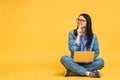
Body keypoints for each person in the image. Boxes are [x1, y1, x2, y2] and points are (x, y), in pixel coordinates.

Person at [60, 13, 104, 78]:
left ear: (87, 22)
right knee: (64, 58)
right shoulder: (71, 33)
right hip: (74, 61)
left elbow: (97, 51)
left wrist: (88, 58)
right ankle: (88, 73)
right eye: (78, 19)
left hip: (88, 62)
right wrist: (78, 36)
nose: (79, 21)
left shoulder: (93, 37)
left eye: (82, 20)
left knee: (101, 61)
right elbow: (72, 49)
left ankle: (73, 72)